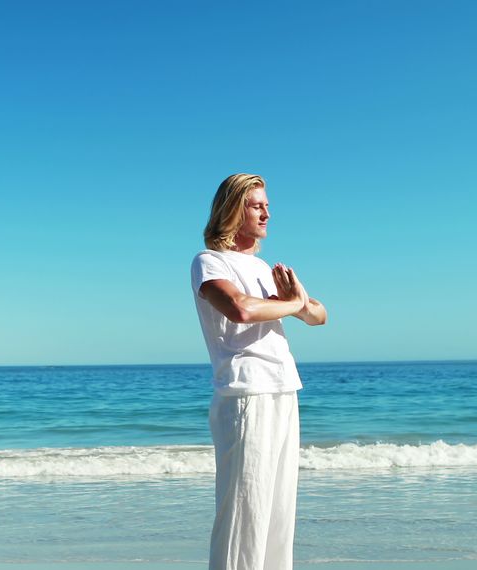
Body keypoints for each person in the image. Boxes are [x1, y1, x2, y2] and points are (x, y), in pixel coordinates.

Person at [190, 173, 327, 570]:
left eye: (267, 204)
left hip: (283, 389)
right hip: (245, 394)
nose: (267, 212)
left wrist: (295, 302)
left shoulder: (265, 268)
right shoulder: (209, 262)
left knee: (278, 517)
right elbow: (242, 309)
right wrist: (291, 304)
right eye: (256, 205)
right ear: (233, 209)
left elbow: (319, 315)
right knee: (244, 518)